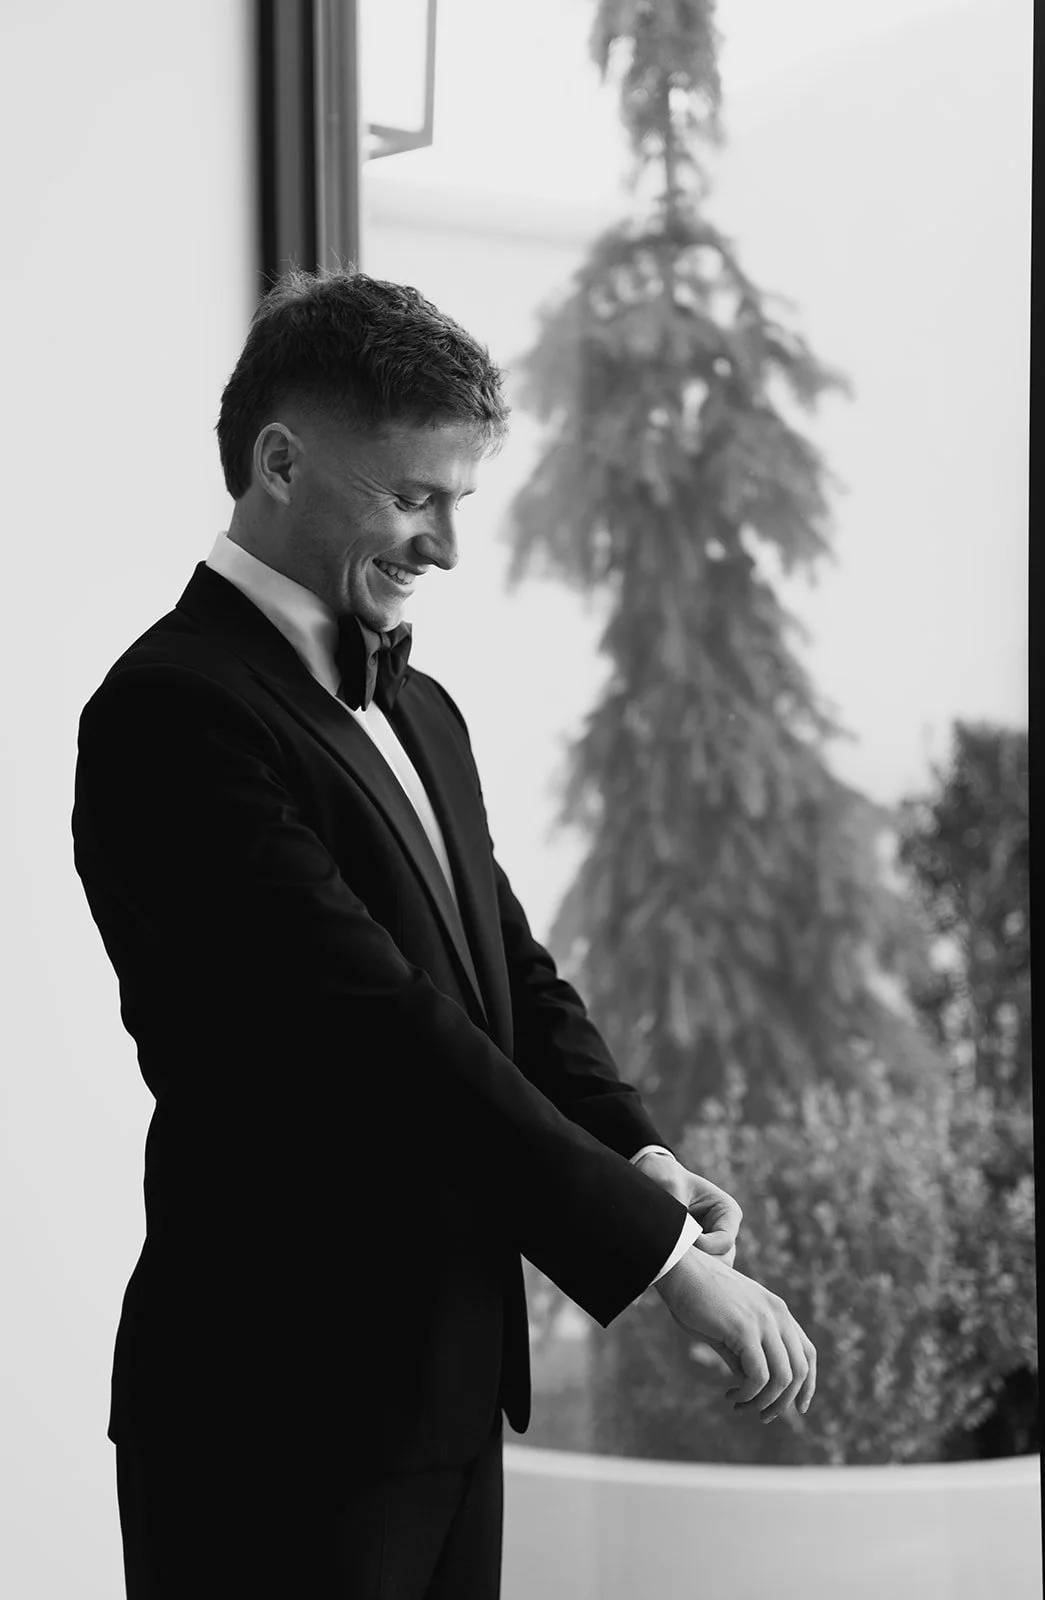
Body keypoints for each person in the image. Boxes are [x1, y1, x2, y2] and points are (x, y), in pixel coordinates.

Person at [71, 267, 817, 1600]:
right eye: (413, 497)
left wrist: (637, 1152)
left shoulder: (425, 712)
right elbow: (383, 1034)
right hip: (272, 1418)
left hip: (448, 1402)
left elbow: (506, 986)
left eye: (458, 501)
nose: (446, 548)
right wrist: (656, 1270)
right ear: (280, 463)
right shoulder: (169, 715)